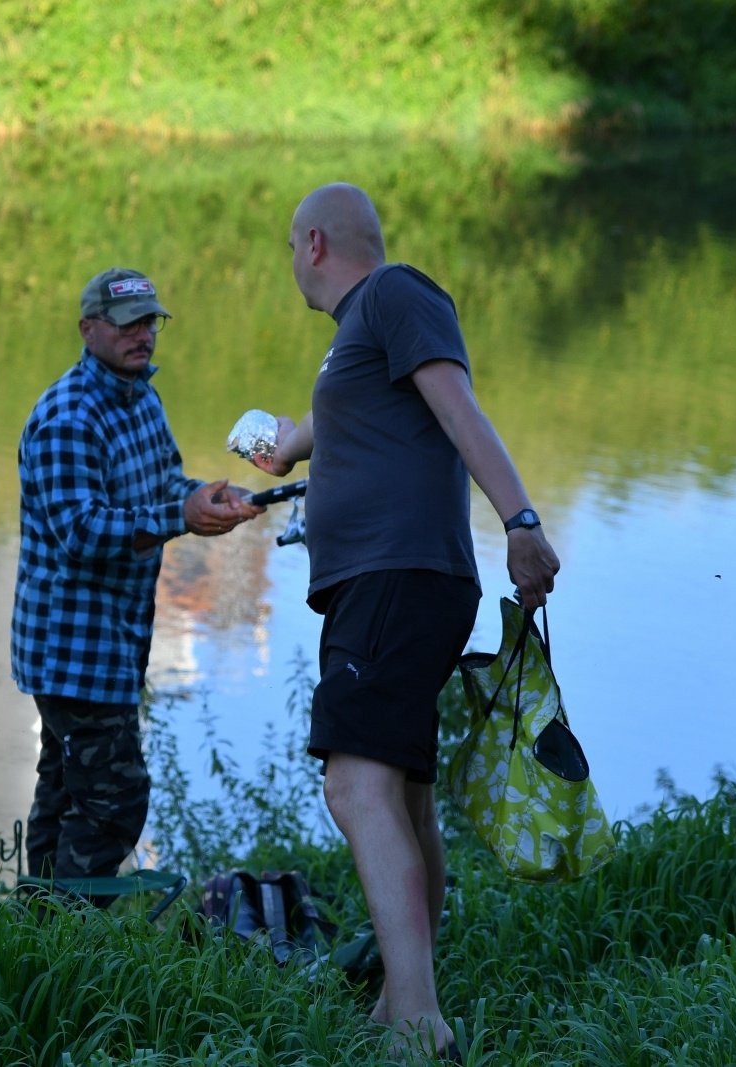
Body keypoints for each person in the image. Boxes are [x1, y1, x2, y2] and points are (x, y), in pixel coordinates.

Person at [253, 184, 561, 1061]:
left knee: (354, 786)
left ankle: (418, 1020)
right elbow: (317, 428)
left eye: (289, 250)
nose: (292, 265)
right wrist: (280, 447)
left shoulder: (395, 294)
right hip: (390, 583)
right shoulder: (355, 342)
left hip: (395, 578)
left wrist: (522, 522)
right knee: (406, 794)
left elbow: (459, 410)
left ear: (314, 244)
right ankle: (400, 998)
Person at [11, 267, 262, 883]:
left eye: (150, 322)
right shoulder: (68, 417)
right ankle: (62, 935)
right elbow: (85, 532)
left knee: (66, 790)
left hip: (113, 644)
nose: (141, 335)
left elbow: (164, 485)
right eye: (127, 324)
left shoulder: (142, 398)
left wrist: (204, 496)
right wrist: (180, 516)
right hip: (72, 649)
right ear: (89, 329)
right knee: (114, 803)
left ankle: (34, 936)